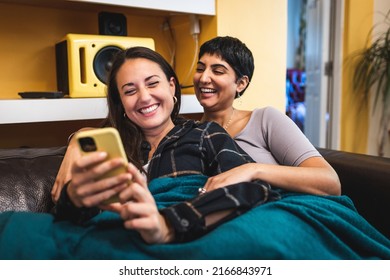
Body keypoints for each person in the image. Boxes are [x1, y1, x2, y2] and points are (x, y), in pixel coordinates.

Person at [53, 46, 277, 244]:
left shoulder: (205, 134)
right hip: (113, 242)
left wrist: (167, 224)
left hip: (183, 241)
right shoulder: (106, 147)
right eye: (130, 91)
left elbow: (255, 188)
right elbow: (70, 220)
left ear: (171, 86)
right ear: (120, 102)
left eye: (152, 84)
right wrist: (73, 197)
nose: (144, 97)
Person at [193, 36, 341, 196]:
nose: (203, 78)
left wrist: (253, 170)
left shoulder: (264, 120)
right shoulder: (188, 133)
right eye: (200, 69)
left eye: (218, 71)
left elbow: (331, 182)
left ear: (241, 83)